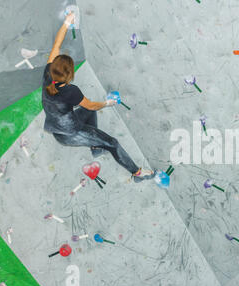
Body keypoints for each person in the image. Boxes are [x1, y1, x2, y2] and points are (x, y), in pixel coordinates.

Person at [42, 12, 155, 183]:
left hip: (55, 124)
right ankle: (137, 173)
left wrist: (67, 22)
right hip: (69, 133)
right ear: (69, 75)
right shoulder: (72, 91)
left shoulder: (48, 73)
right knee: (112, 143)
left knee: (87, 112)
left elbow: (56, 45)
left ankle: (95, 146)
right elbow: (93, 106)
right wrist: (106, 103)